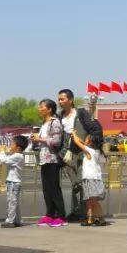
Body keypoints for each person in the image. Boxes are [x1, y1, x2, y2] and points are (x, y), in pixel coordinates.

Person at [31, 99, 66, 227]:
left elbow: (56, 141)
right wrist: (35, 140)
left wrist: (39, 139)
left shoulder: (54, 122)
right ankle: (50, 214)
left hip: (52, 159)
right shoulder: (44, 123)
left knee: (54, 188)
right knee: (46, 189)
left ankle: (60, 215)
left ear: (49, 109)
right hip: (44, 159)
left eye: (42, 107)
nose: (39, 109)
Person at [58, 89, 88, 223]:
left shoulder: (80, 114)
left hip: (80, 150)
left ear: (70, 100)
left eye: (62, 99)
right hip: (66, 152)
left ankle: (83, 212)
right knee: (74, 183)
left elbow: (90, 128)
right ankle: (75, 211)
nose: (60, 101)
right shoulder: (60, 116)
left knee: (81, 182)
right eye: (59, 99)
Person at [73, 121, 107, 227]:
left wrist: (73, 134)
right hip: (90, 178)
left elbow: (77, 142)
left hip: (91, 178)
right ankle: (90, 219)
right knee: (89, 200)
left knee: (93, 201)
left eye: (87, 139)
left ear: (90, 142)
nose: (85, 140)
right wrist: (77, 136)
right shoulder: (95, 151)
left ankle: (101, 219)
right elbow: (81, 142)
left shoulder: (89, 151)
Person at [0, 135, 29, 228]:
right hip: (14, 182)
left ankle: (10, 221)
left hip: (13, 182)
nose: (10, 145)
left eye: (12, 144)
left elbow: (3, 160)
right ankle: (17, 220)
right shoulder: (17, 155)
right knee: (15, 202)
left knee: (11, 201)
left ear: (18, 147)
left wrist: (2, 151)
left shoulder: (17, 156)